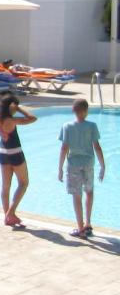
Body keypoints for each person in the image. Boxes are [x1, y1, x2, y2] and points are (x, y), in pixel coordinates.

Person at [58, 99, 105, 238]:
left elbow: (64, 148)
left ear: (74, 110)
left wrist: (60, 168)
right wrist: (103, 166)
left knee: (76, 195)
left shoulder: (67, 126)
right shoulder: (92, 126)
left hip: (73, 165)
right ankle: (88, 224)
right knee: (89, 192)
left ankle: (80, 229)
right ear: (86, 111)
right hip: (88, 163)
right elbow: (97, 147)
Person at [0, 94, 37, 228]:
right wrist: (19, 109)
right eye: (15, 106)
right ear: (11, 106)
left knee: (5, 186)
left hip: (2, 152)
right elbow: (33, 118)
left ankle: (7, 217)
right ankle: (10, 213)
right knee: (23, 183)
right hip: (15, 152)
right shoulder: (11, 120)